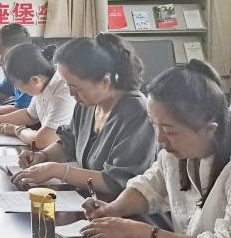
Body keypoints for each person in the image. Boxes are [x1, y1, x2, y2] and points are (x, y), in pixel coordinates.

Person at [81, 60, 231, 238]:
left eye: (170, 131)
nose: (160, 138)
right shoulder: (173, 156)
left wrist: (145, 232)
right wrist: (113, 208)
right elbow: (151, 186)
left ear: (209, 130)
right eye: (153, 124)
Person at [12, 34, 157, 197]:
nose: (71, 93)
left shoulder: (137, 113)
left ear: (105, 81)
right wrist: (43, 156)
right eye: (67, 85)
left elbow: (117, 182)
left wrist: (56, 170)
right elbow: (69, 142)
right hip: (92, 201)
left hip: (123, 209)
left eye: (76, 87)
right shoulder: (87, 104)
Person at [0, 43, 75, 148]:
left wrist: (17, 130)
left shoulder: (64, 91)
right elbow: (29, 115)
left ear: (35, 80)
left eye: (17, 85)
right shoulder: (43, 84)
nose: (17, 89)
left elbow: (43, 141)